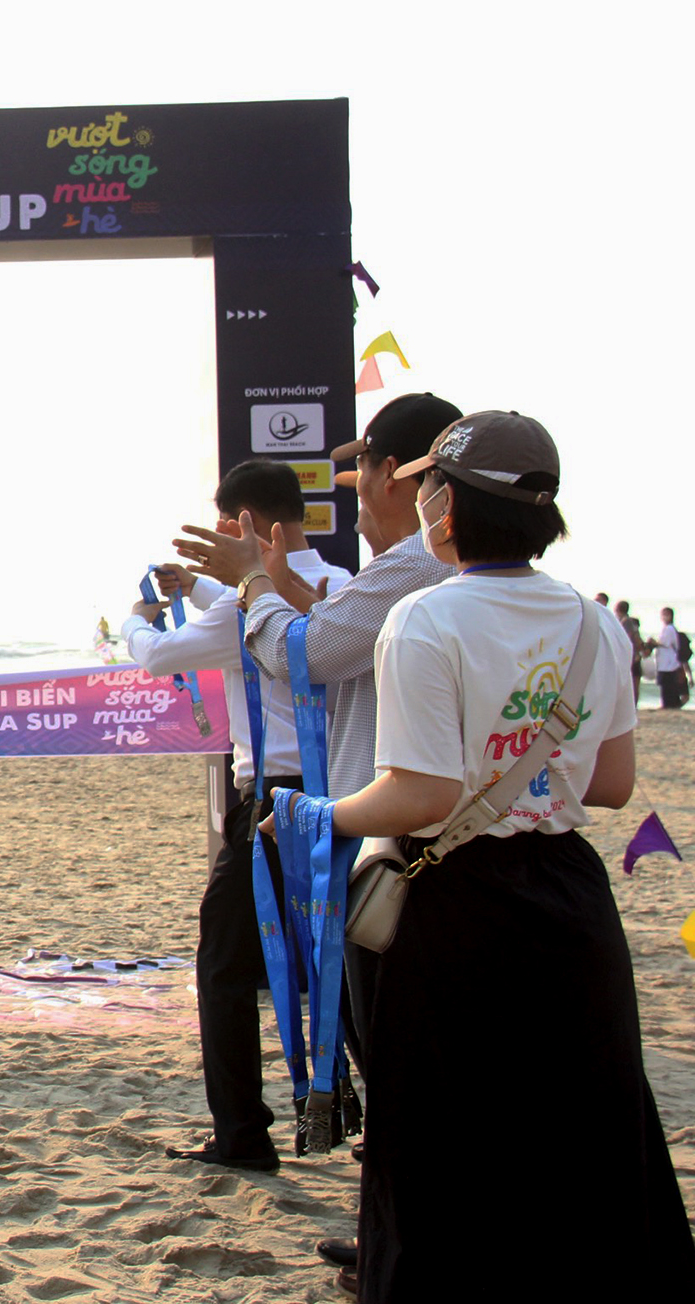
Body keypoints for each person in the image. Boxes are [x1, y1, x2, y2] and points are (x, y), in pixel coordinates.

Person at [292, 411, 695, 1298]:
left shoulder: (425, 619)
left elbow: (420, 796)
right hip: (569, 900)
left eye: (430, 482)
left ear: (450, 507)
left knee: (442, 1136)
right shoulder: (596, 622)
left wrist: (318, 811)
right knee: (583, 1125)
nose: (421, 496)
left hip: (452, 903)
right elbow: (613, 785)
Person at [175, 392, 462, 1276]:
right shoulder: (521, 594)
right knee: (393, 1038)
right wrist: (269, 582)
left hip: (389, 831)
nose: (359, 492)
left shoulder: (413, 571)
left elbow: (302, 653)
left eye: (366, 470)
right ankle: (393, 1228)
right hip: (477, 843)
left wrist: (250, 584)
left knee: (380, 1034)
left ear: (409, 481)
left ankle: (397, 1236)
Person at [128, 460, 352, 1174]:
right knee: (337, 965)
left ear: (250, 526)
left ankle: (241, 1135)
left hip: (269, 804)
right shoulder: (345, 588)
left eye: (226, 528)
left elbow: (163, 654)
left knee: (224, 969)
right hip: (340, 794)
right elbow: (239, 602)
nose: (218, 542)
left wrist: (138, 621)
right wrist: (195, 585)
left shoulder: (243, 608)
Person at [649, 607, 686, 709]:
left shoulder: (669, 628)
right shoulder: (667, 628)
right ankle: (670, 703)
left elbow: (665, 643)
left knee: (667, 685)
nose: (664, 617)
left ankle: (669, 704)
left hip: (668, 663)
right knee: (667, 684)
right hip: (666, 662)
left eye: (666, 615)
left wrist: (653, 642)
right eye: (663, 614)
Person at [616, 599, 645, 703]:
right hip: (634, 655)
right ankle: (633, 706)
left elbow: (628, 637)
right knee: (634, 682)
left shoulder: (625, 621)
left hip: (631, 656)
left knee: (632, 683)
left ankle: (632, 706)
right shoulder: (630, 621)